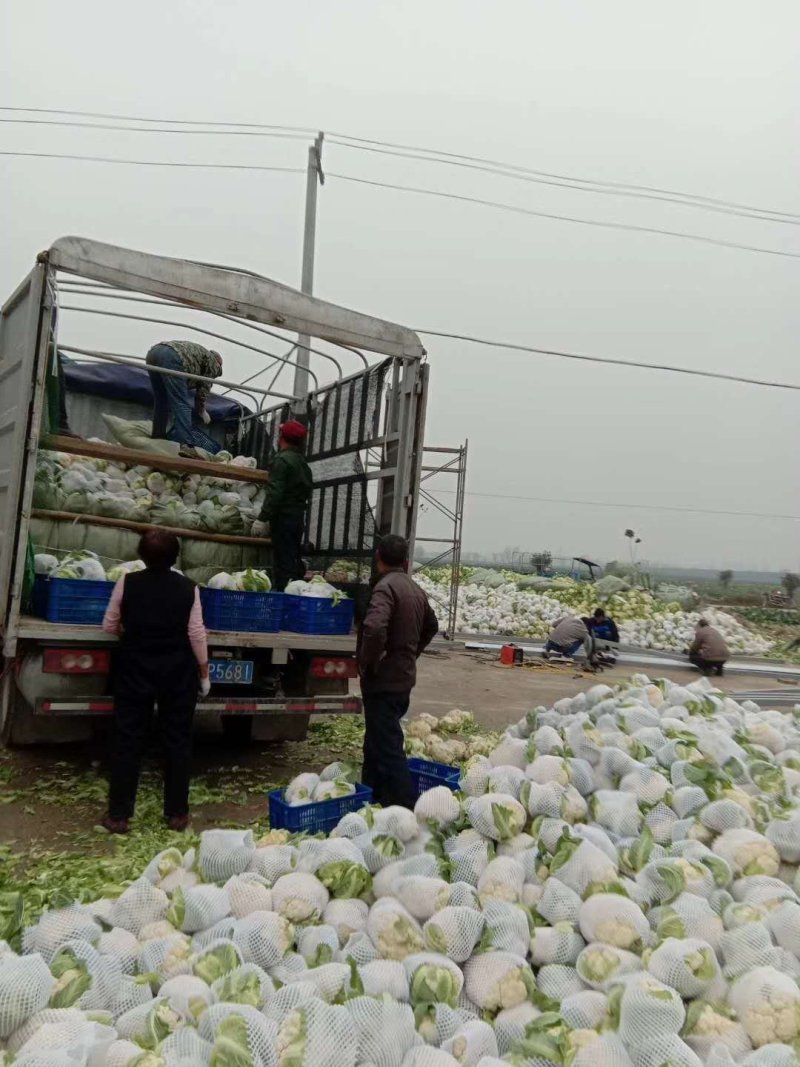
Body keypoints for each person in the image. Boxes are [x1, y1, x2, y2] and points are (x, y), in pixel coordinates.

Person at [101, 531, 209, 834]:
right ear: (175, 558)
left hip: (134, 667)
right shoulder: (189, 588)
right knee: (177, 739)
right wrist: (204, 671)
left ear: (141, 556)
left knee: (127, 738)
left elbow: (109, 624)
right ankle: (177, 814)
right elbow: (196, 634)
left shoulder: (127, 582)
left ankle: (119, 815)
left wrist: (132, 636)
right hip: (177, 670)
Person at [358, 534, 439, 809]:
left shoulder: (385, 588)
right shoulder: (414, 589)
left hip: (384, 680)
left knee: (388, 747)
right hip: (402, 678)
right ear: (405, 561)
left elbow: (374, 627)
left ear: (378, 557)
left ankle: (409, 807)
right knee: (375, 742)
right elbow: (432, 626)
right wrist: (411, 652)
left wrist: (370, 661)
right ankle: (371, 796)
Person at [251, 420, 313, 591]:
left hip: (283, 519)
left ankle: (283, 599)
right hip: (297, 518)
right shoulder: (302, 463)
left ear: (281, 437)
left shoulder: (282, 460)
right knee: (292, 559)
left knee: (283, 564)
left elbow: (275, 493)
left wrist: (262, 518)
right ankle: (295, 591)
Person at [145, 341, 223, 453]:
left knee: (161, 400)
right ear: (218, 363)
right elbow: (203, 389)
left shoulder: (200, 354)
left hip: (154, 353)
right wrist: (202, 411)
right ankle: (186, 444)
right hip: (173, 358)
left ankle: (158, 436)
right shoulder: (214, 363)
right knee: (181, 402)